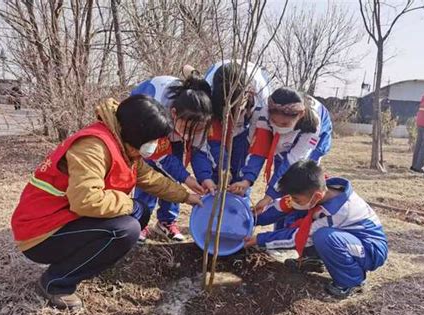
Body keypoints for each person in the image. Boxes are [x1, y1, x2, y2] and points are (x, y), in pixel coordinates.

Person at [11, 96, 202, 310]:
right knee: (126, 229)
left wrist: (186, 196)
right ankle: (56, 283)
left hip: (66, 219)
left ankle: (91, 261)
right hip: (41, 232)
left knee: (141, 213)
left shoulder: (124, 143)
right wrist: (128, 204)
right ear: (137, 132)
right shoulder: (93, 147)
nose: (155, 146)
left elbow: (150, 178)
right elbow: (86, 200)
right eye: (152, 140)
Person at [244, 160, 388, 299]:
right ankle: (313, 259)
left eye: (297, 199)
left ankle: (352, 280)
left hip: (370, 249)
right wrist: (252, 219)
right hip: (347, 238)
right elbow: (284, 205)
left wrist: (258, 239)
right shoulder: (316, 191)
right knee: (303, 215)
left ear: (317, 196)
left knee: (324, 237)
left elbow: (299, 236)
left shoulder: (337, 211)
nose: (294, 201)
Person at [130, 72, 214, 241]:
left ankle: (167, 222)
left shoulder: (199, 116)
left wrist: (205, 178)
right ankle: (141, 221)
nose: (191, 136)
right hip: (146, 127)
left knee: (175, 173)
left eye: (197, 130)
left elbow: (199, 150)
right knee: (150, 172)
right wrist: (187, 178)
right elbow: (162, 159)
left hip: (170, 128)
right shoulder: (155, 107)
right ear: (174, 113)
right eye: (188, 129)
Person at [234, 87, 332, 220]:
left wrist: (269, 197)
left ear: (301, 114)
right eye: (275, 122)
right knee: (280, 173)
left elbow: (292, 162)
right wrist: (247, 180)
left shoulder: (313, 125)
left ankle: (292, 221)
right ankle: (274, 218)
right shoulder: (263, 114)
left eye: (285, 123)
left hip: (313, 140)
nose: (279, 126)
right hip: (284, 141)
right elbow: (258, 150)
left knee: (298, 179)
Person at [191, 60, 271, 190]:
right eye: (227, 111)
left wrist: (247, 180)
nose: (233, 116)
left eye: (237, 109)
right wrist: (222, 168)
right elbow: (206, 143)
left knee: (240, 165)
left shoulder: (263, 101)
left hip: (248, 118)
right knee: (217, 168)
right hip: (217, 108)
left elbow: (257, 147)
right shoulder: (207, 95)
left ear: (248, 95)